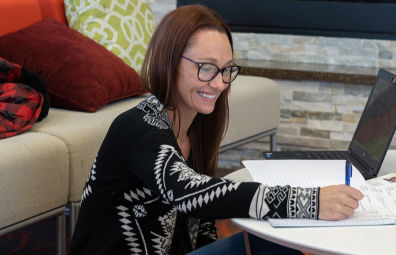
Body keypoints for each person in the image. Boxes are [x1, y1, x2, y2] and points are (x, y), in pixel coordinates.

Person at [69, 5, 364, 255]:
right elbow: (188, 192)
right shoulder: (138, 127)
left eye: (226, 69)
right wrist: (310, 202)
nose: (219, 83)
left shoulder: (194, 128)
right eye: (206, 67)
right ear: (170, 61)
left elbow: (201, 223)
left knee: (271, 239)